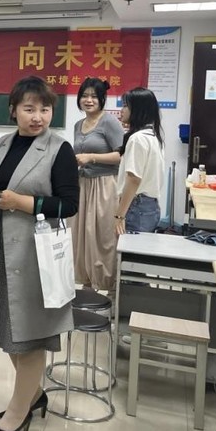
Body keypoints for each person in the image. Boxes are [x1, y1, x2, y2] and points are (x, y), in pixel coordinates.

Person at [0, 76, 79, 431]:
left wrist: (21, 202)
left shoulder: (59, 149)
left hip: (34, 257)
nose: (38, 117)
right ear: (13, 110)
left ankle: (17, 416)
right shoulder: (3, 144)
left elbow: (69, 204)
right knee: (8, 330)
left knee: (30, 337)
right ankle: (33, 395)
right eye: (29, 109)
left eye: (45, 109)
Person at [71, 78, 124, 294]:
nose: (89, 100)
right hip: (83, 185)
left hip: (105, 185)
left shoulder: (109, 122)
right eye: (85, 96)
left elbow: (122, 155)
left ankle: (109, 287)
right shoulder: (78, 125)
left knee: (104, 237)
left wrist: (91, 157)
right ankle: (86, 284)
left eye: (94, 96)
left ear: (102, 99)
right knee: (82, 236)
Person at [115, 87, 165, 236]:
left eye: (125, 106)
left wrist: (120, 215)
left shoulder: (137, 139)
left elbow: (133, 179)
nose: (121, 110)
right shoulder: (153, 136)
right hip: (150, 206)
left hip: (136, 206)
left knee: (129, 249)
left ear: (137, 110)